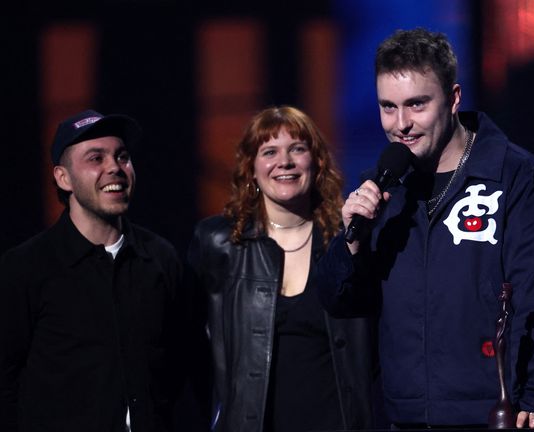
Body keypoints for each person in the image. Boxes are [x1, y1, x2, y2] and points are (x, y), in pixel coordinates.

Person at [316, 28, 534, 428]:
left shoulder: (515, 175)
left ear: (453, 99)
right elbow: (339, 302)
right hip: (404, 414)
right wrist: (352, 242)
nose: (401, 123)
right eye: (388, 106)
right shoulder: (382, 186)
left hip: (492, 413)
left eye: (417, 104)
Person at [187, 106, 377, 432]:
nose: (284, 162)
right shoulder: (218, 243)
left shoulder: (347, 243)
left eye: (297, 149)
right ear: (251, 168)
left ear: (316, 162)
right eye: (269, 151)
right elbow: (187, 348)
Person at [0, 109, 183, 431]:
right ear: (63, 177)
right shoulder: (25, 268)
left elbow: (182, 369)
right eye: (95, 158)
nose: (114, 167)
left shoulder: (160, 259)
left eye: (122, 156)